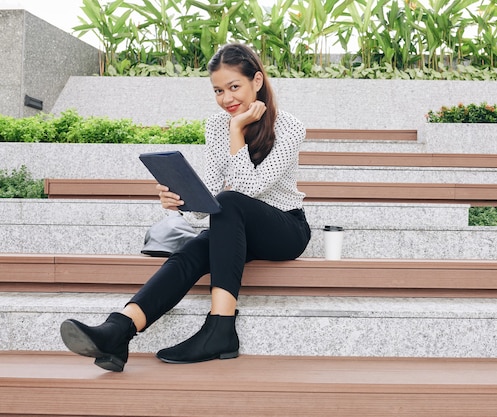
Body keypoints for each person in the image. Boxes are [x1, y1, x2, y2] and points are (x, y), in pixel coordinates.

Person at [59, 43, 312, 372]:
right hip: (235, 226)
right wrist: (180, 201)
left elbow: (248, 189)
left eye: (234, 87)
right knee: (192, 251)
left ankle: (221, 326)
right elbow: (205, 202)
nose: (226, 99)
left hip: (285, 229)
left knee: (231, 201)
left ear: (258, 81)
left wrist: (237, 131)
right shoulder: (216, 125)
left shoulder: (289, 127)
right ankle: (118, 330)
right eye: (218, 90)